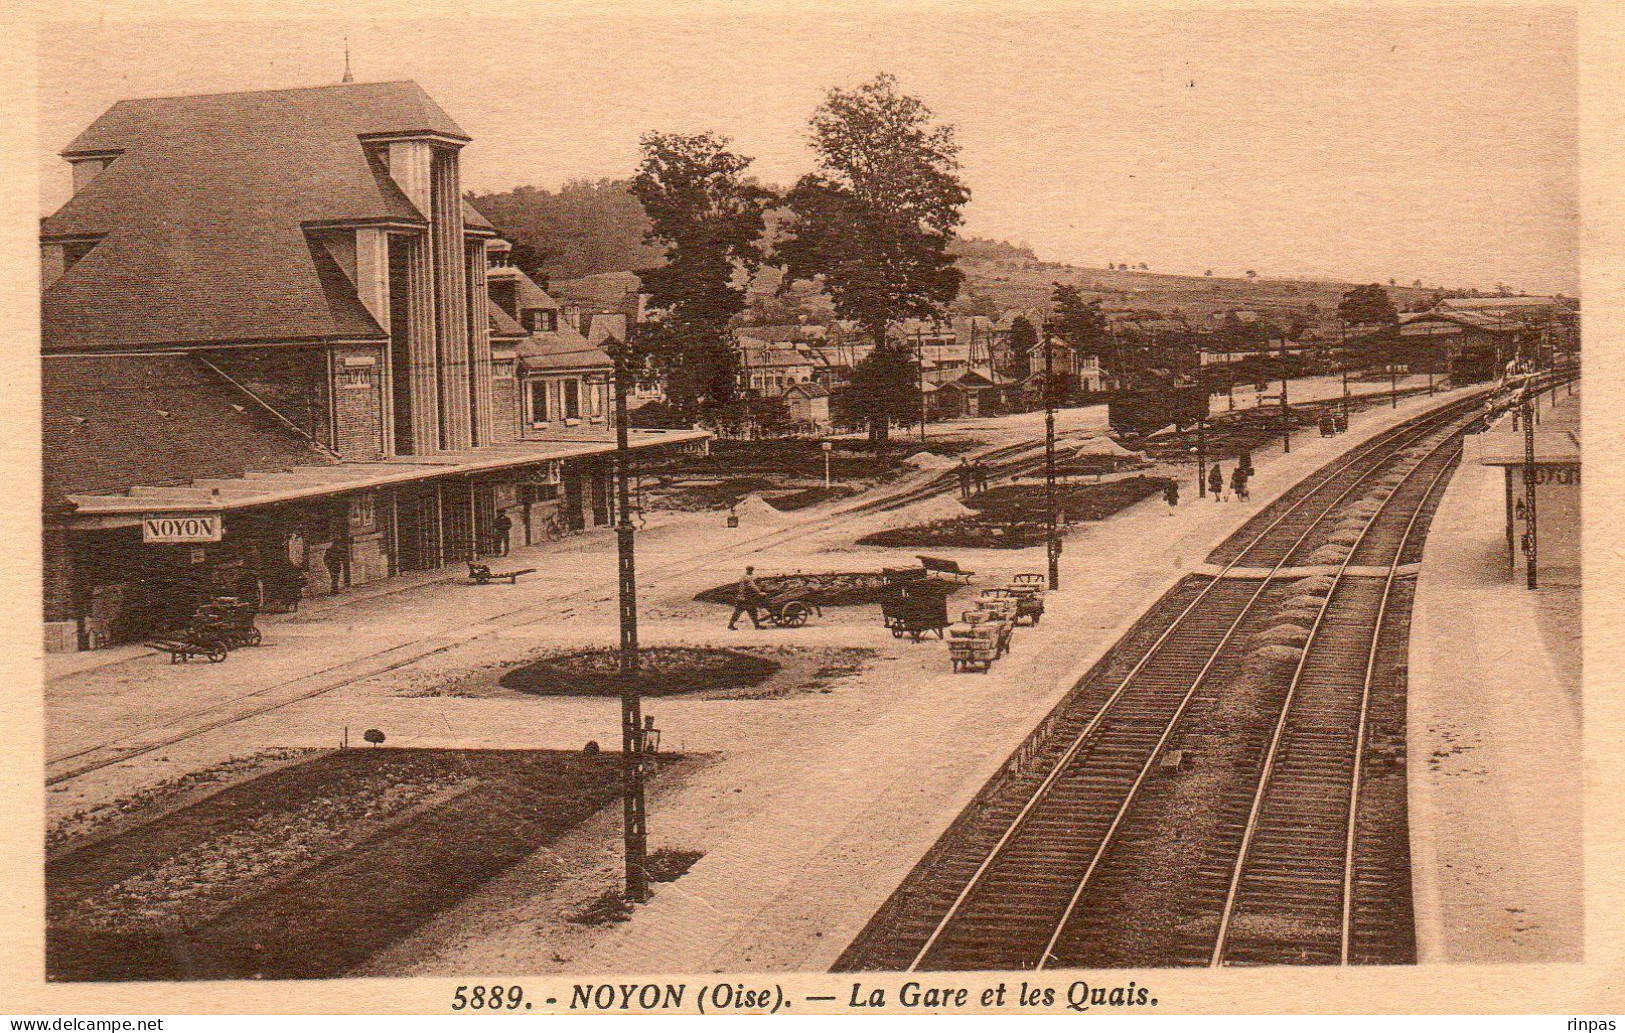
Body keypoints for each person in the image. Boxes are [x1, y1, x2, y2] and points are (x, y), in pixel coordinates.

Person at [728, 566, 766, 630]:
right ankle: (757, 626)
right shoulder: (747, 578)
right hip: (746, 598)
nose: (752, 572)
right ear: (750, 571)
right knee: (752, 612)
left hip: (741, 597)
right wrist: (760, 593)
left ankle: (731, 625)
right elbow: (753, 586)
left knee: (739, 612)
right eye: (751, 571)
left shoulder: (743, 577)